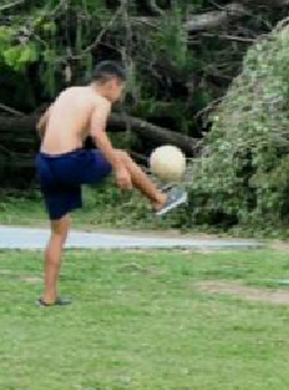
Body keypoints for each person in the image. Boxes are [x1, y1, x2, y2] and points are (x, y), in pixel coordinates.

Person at [34, 61, 187, 307]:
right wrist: (118, 168)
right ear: (113, 83)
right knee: (123, 156)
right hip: (68, 161)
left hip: (45, 162)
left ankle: (48, 297)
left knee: (58, 232)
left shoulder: (69, 92)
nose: (119, 97)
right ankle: (159, 201)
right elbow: (97, 133)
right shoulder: (100, 101)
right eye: (121, 90)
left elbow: (41, 125)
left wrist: (52, 148)